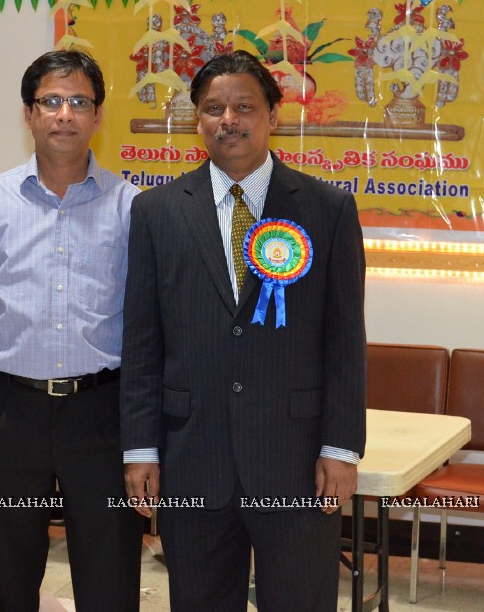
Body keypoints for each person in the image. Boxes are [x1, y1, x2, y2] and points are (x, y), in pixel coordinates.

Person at [120, 49, 367, 612]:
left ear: (273, 116)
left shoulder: (327, 209)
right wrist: (140, 449)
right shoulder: (156, 212)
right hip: (191, 455)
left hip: (297, 458)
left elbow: (345, 343)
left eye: (244, 107)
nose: (228, 120)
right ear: (197, 121)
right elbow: (140, 342)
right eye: (213, 109)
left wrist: (341, 448)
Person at [0, 49, 143, 612]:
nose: (64, 114)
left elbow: (147, 324)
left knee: (110, 572)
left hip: (102, 413)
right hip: (3, 411)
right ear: (28, 114)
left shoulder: (132, 208)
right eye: (50, 101)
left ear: (98, 116)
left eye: (79, 102)